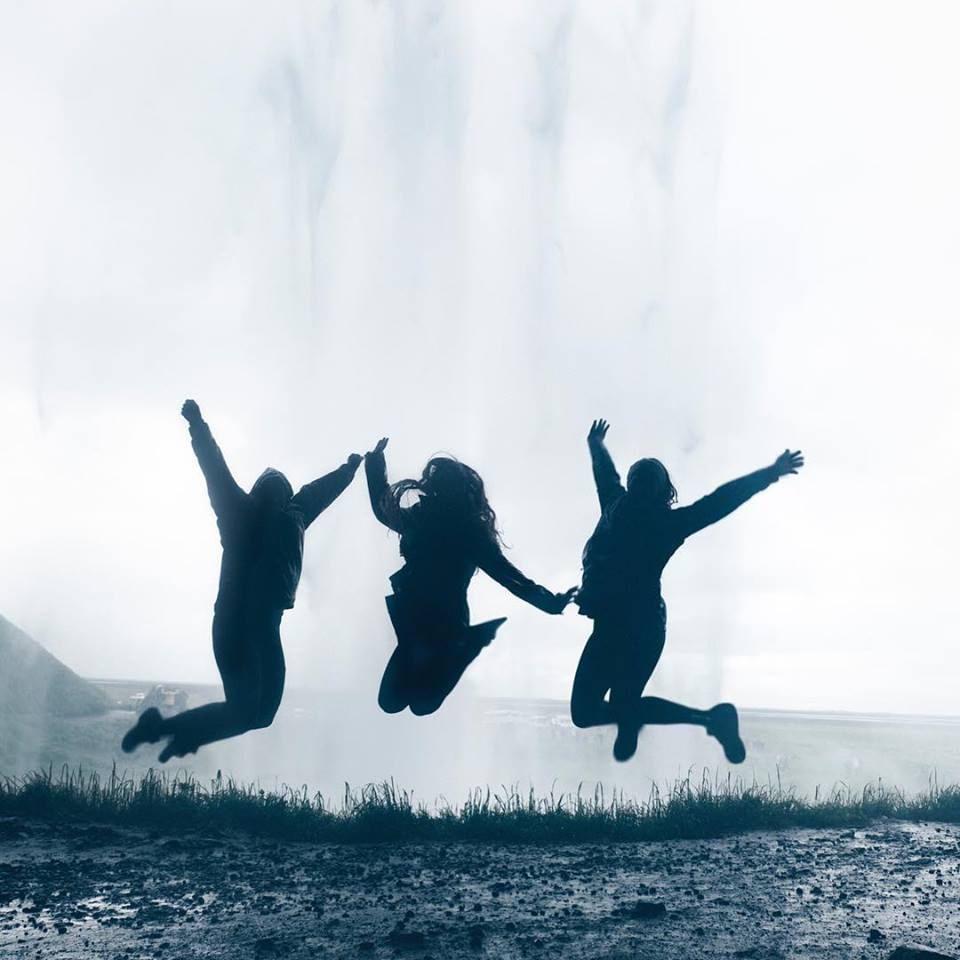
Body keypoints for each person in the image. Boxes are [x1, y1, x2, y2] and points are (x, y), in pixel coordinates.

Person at [122, 399, 362, 762]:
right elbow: (214, 468)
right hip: (237, 624)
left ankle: (176, 732)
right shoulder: (239, 511)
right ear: (266, 491)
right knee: (247, 710)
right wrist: (198, 425)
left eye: (283, 486)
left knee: (261, 715)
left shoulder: (292, 517)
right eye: (277, 485)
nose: (282, 489)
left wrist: (349, 469)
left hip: (264, 625)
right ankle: (166, 730)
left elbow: (319, 492)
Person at [571, 419, 803, 763]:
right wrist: (596, 445)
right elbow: (718, 502)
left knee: (606, 708)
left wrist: (596, 444)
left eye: (642, 478)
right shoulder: (650, 517)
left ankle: (640, 720)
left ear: (647, 490)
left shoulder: (623, 509)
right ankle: (705, 719)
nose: (637, 480)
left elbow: (720, 501)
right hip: (631, 625)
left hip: (639, 626)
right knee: (599, 710)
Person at [365, 438, 576, 716]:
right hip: (414, 620)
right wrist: (375, 464)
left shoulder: (467, 532)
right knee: (393, 703)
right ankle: (468, 645)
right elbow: (384, 511)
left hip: (446, 627)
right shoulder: (424, 517)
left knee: (419, 705)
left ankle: (469, 645)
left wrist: (550, 603)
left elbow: (509, 577)